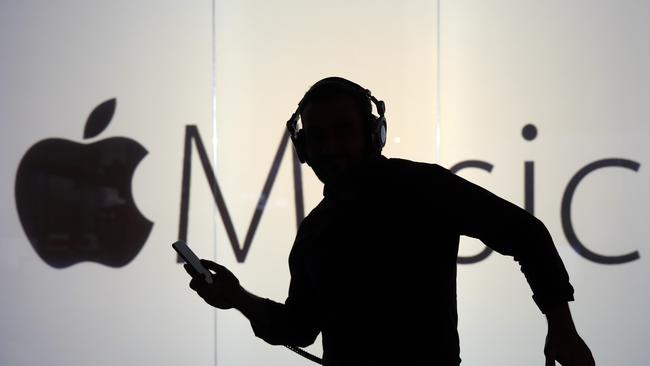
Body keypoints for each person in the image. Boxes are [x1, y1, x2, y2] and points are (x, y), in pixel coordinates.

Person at [184, 77, 595, 366]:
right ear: (303, 148)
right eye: (319, 136)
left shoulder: (423, 187)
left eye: (343, 131)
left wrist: (562, 328)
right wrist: (237, 298)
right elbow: (300, 327)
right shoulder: (315, 232)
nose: (330, 147)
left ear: (373, 134)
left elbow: (526, 234)